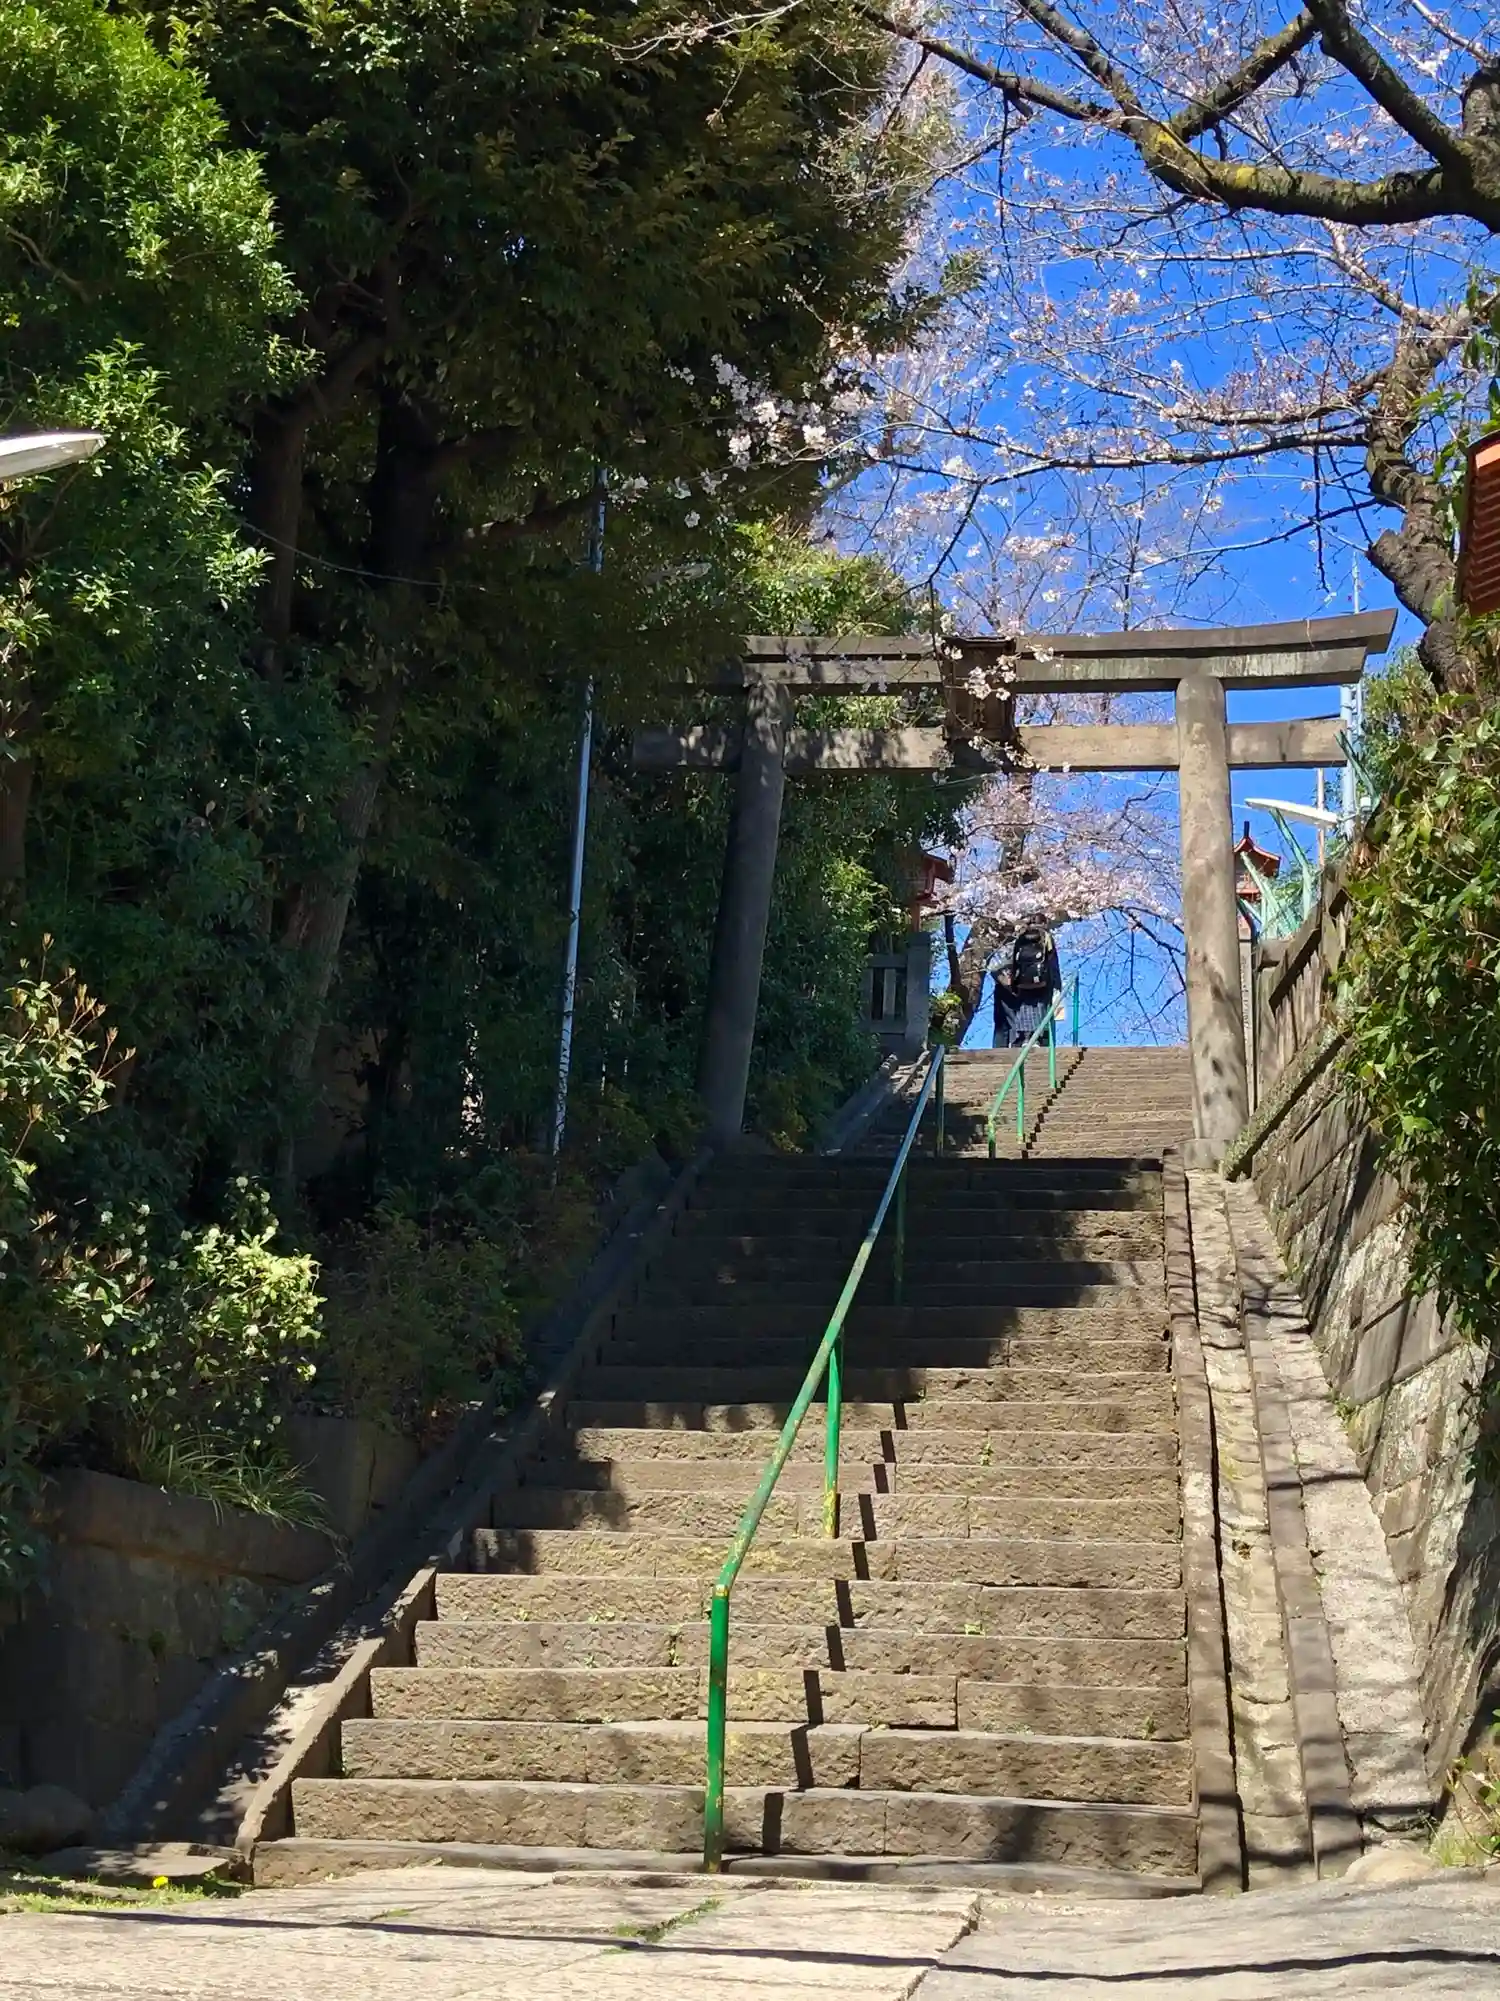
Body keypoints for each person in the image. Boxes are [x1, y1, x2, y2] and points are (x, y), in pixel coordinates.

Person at [992, 914, 1061, 1048]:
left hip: (1023, 981)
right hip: (1042, 980)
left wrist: (1014, 982)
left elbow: (1014, 961)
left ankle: (1025, 1038)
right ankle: (1037, 1039)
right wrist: (1057, 984)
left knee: (1024, 1007)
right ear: (1044, 923)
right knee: (1041, 1007)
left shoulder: (1021, 938)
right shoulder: (1046, 936)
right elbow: (1052, 961)